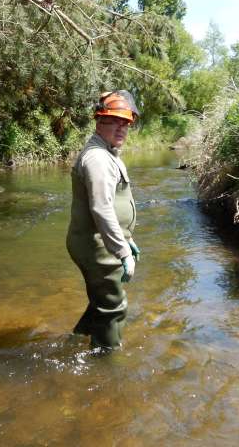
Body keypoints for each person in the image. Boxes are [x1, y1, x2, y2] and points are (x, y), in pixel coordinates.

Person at [66, 90, 141, 349]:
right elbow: (101, 208)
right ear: (100, 121)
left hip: (101, 242)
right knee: (114, 306)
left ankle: (77, 338)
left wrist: (127, 238)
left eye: (126, 123)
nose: (122, 127)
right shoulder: (97, 158)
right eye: (115, 121)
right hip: (98, 247)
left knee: (102, 298)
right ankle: (106, 361)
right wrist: (122, 251)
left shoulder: (107, 152)